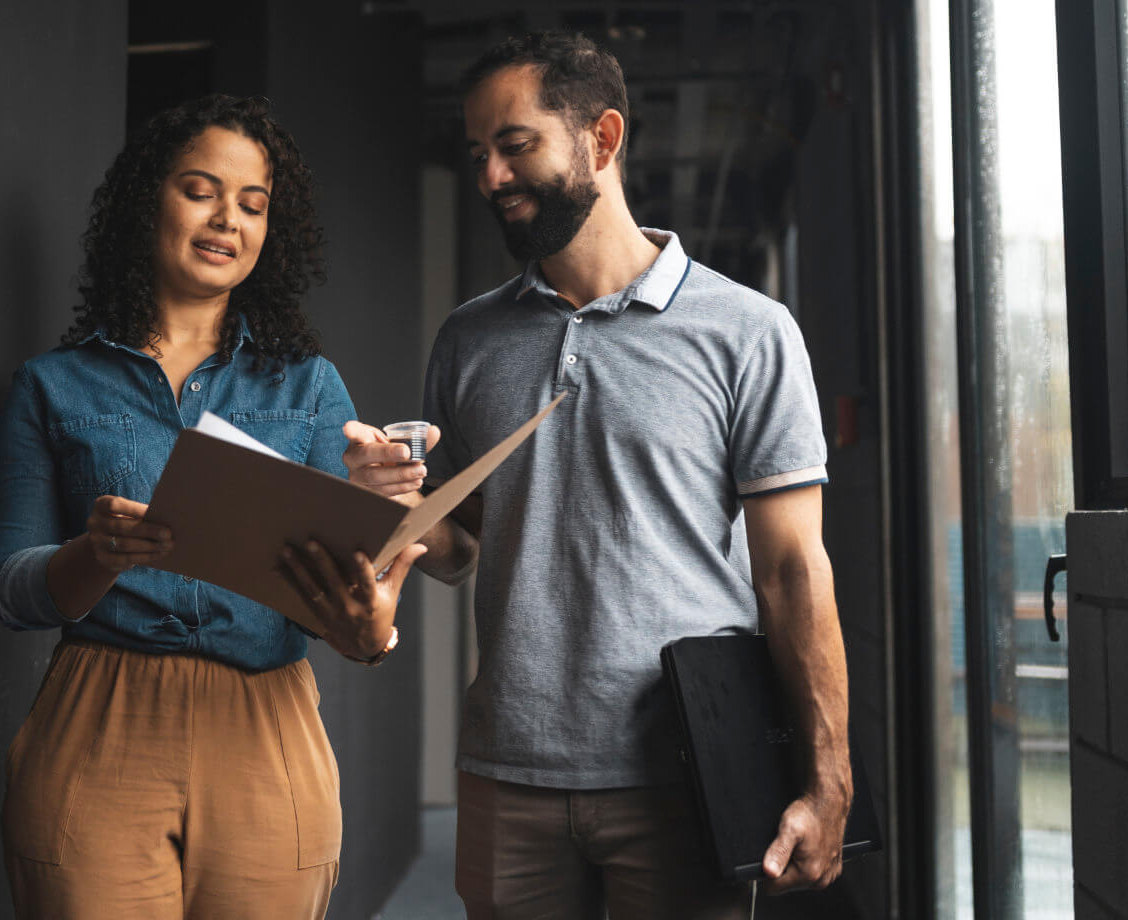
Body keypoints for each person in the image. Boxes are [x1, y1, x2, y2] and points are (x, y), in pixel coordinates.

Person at [343, 32, 852, 919]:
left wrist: (828, 772)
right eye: (476, 155)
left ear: (602, 140)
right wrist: (390, 503)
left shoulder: (749, 331)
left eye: (515, 145)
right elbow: (463, 545)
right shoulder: (469, 338)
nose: (491, 177)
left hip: (687, 768)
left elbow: (792, 571)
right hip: (507, 770)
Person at [0, 94, 425, 920]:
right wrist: (95, 554)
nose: (229, 219)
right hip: (97, 722)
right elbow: (11, 589)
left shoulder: (309, 386)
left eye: (254, 204)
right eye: (201, 190)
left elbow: (341, 591)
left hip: (267, 725)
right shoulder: (52, 385)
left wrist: (373, 622)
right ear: (148, 197)